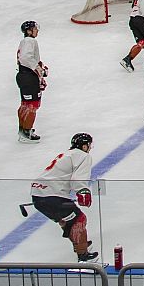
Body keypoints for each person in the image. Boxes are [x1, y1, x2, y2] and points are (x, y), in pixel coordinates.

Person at [29, 132, 97, 261]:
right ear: (84, 146)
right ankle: (83, 256)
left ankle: (79, 243)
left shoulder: (66, 154)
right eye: (89, 145)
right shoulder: (83, 156)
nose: (89, 148)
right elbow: (78, 178)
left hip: (37, 196)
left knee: (66, 220)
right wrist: (83, 191)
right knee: (79, 219)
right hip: (52, 195)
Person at [16, 20, 47, 142]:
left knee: (25, 104)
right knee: (32, 105)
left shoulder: (24, 41)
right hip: (29, 77)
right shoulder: (30, 41)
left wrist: (39, 67)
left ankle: (23, 130)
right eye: (35, 28)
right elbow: (26, 57)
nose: (37, 30)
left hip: (23, 76)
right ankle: (27, 133)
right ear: (29, 31)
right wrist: (38, 69)